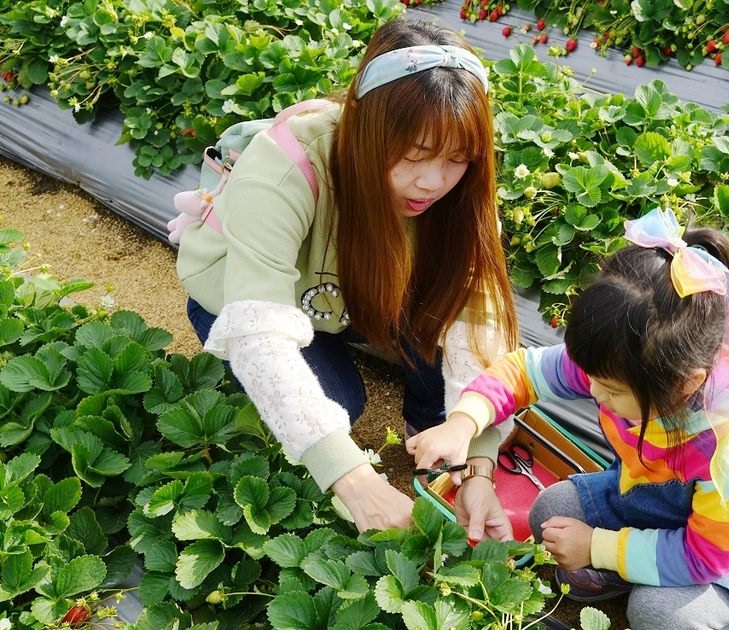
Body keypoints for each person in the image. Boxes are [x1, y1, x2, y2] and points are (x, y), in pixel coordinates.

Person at [409, 207, 729, 630]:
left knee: (658, 618)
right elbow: (519, 373)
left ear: (685, 384)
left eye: (612, 391)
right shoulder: (621, 361)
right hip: (654, 504)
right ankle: (624, 568)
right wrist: (462, 423)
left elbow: (706, 556)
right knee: (548, 513)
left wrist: (597, 547)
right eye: (593, 378)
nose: (594, 392)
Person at [174, 17, 518, 533]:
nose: (432, 181)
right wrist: (354, 480)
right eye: (415, 154)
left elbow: (479, 326)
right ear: (364, 123)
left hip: (350, 290)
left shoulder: (462, 197)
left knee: (442, 302)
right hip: (258, 297)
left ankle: (432, 435)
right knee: (337, 405)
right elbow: (260, 337)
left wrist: (476, 456)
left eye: (457, 158)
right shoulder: (286, 166)